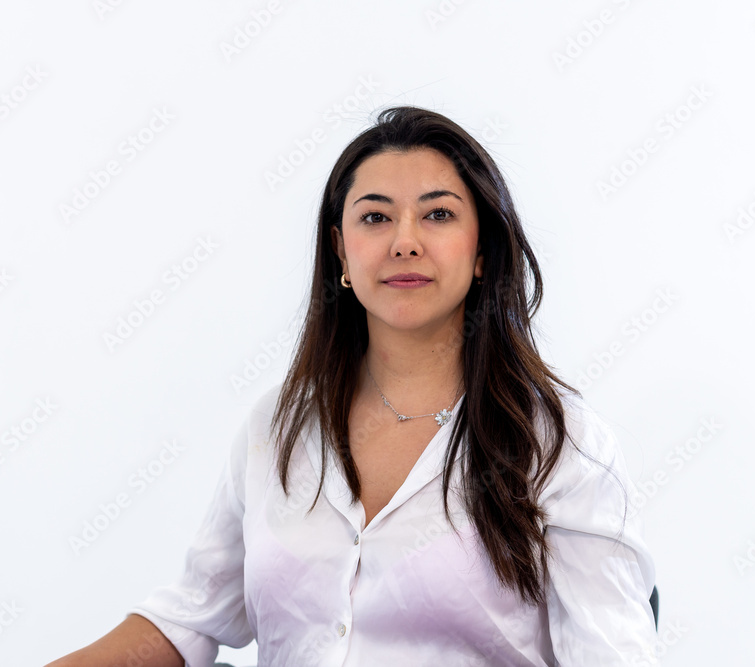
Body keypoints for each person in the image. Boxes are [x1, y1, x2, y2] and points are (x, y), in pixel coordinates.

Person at [46, 105, 659, 666]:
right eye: (375, 217)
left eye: (438, 214)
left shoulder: (561, 444)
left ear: (481, 251)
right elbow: (191, 619)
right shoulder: (278, 427)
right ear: (341, 251)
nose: (404, 242)